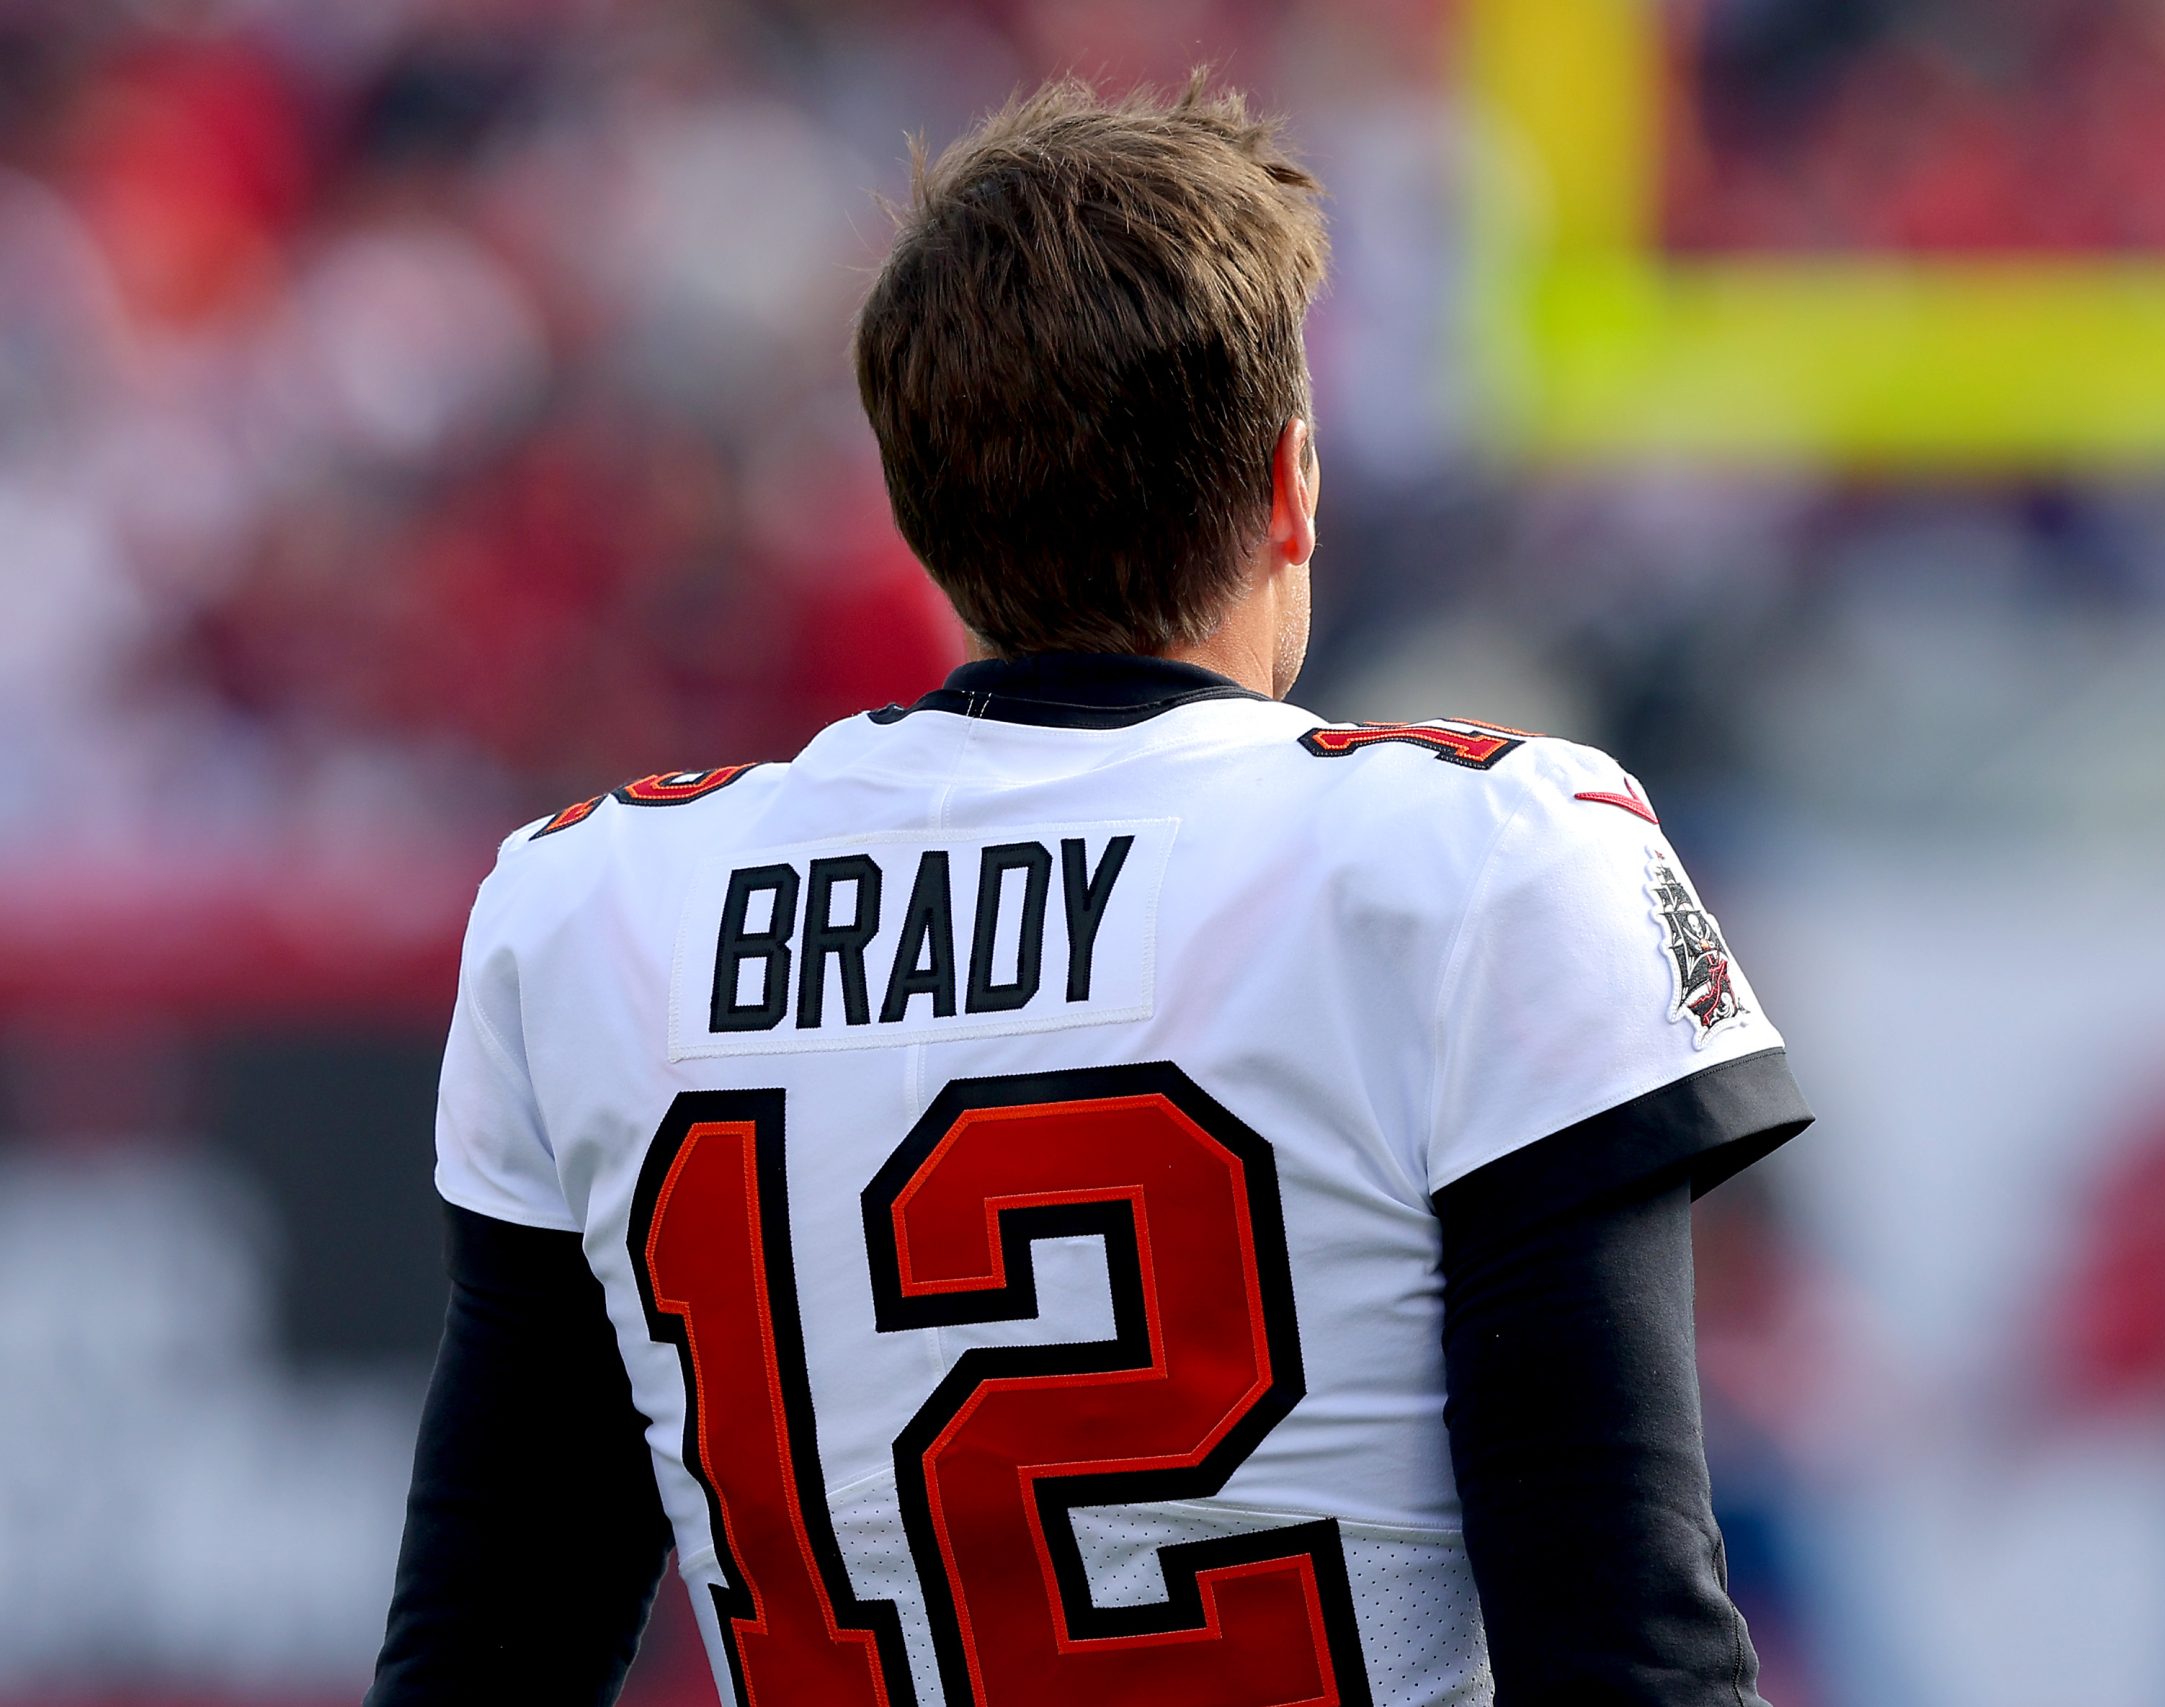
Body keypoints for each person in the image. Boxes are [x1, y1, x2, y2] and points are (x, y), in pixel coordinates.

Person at [366, 75, 1811, 1707]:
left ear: (922, 510)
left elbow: (478, 1659)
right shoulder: (1481, 856)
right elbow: (1629, 1650)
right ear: (1290, 485)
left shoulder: (596, 906)